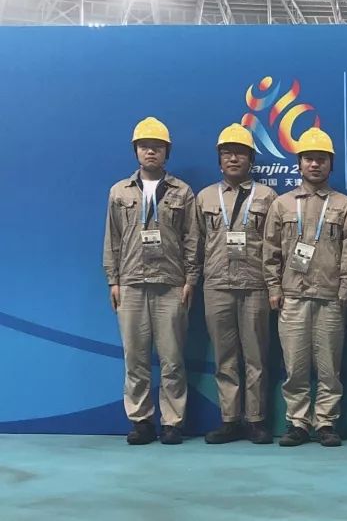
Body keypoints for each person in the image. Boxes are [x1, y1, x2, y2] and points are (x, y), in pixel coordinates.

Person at [263, 127, 347, 447]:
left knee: (330, 367)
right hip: (292, 297)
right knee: (295, 366)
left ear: (331, 164)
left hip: (331, 297)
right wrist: (274, 288)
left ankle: (326, 422)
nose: (315, 165)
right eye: (309, 159)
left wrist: (346, 289)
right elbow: (270, 250)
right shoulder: (282, 204)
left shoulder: (344, 205)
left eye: (321, 159)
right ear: (299, 163)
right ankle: (298, 422)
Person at [103, 116, 198, 445]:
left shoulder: (182, 191)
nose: (151, 152)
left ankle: (172, 422)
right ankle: (141, 421)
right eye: (144, 146)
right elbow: (112, 239)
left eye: (157, 147)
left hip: (171, 285)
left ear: (167, 152)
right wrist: (113, 280)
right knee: (135, 359)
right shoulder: (119, 192)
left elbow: (192, 239)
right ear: (136, 151)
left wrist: (190, 279)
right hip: (131, 284)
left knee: (172, 359)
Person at [196, 124, 278, 444]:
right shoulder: (204, 197)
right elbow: (195, 243)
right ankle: (229, 420)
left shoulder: (268, 197)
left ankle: (256, 420)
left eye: (240, 153)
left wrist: (273, 285)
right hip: (217, 285)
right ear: (219, 160)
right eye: (227, 153)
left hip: (255, 284)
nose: (233, 158)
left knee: (256, 357)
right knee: (225, 357)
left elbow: (275, 245)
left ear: (251, 160)